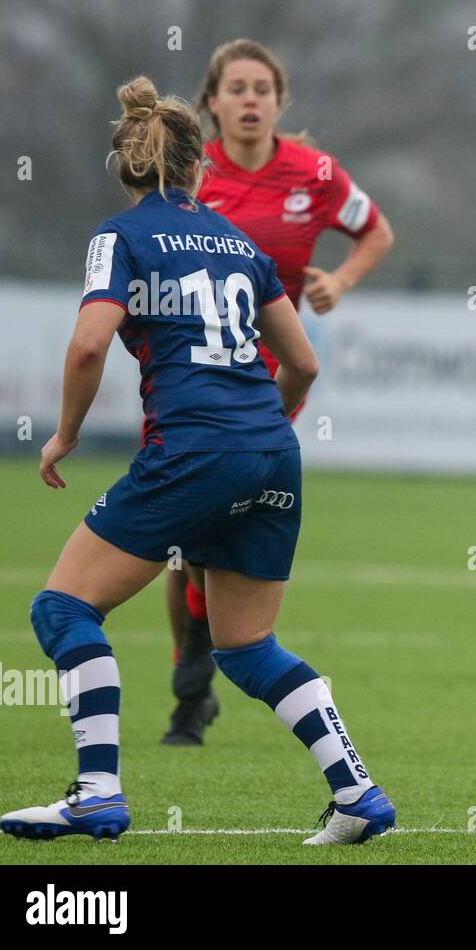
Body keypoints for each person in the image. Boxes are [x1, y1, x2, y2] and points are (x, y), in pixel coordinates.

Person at [0, 77, 395, 844]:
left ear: (129, 166)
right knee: (248, 649)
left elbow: (87, 343)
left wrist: (66, 434)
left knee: (63, 609)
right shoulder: (238, 241)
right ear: (198, 168)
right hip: (272, 452)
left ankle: (97, 793)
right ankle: (359, 796)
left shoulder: (120, 235)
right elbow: (304, 364)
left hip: (192, 447)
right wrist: (255, 434)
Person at [160, 38, 395, 746]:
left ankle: (199, 657)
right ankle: (193, 668)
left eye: (263, 87)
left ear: (279, 100)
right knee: (188, 534)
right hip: (196, 372)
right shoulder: (191, 178)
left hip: (277, 373)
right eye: (237, 88)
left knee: (213, 509)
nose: (252, 99)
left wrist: (340, 280)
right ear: (212, 103)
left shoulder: (315, 173)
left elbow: (377, 231)